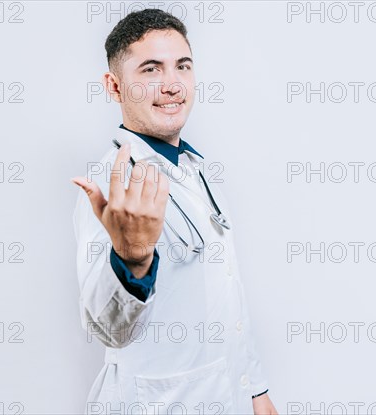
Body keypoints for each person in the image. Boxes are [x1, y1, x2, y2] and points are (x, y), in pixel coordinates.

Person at [71, 8, 278, 415]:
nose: (172, 85)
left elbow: (225, 294)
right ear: (114, 86)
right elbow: (106, 328)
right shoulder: (110, 184)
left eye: (182, 66)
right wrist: (132, 259)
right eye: (150, 69)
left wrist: (255, 390)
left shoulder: (195, 169)